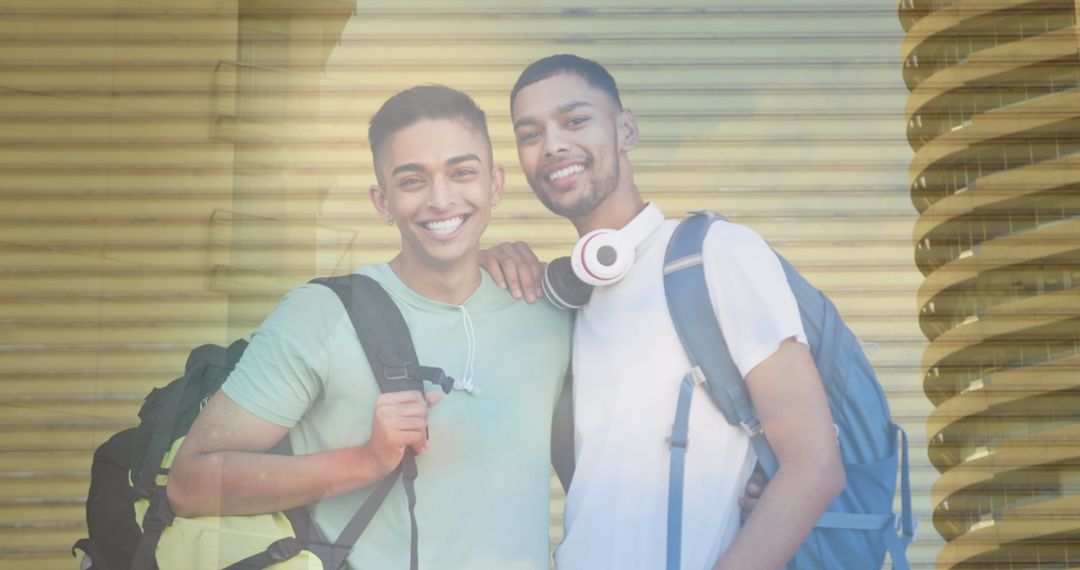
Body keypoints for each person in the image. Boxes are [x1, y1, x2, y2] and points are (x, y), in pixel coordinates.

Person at [167, 85, 572, 570]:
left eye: (462, 173)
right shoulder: (321, 315)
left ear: (495, 185)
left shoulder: (548, 313)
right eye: (412, 181)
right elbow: (190, 484)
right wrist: (364, 460)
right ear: (382, 201)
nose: (441, 200)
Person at [482, 54, 844, 570]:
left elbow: (814, 466)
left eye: (575, 120)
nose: (554, 144)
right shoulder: (568, 300)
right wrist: (475, 266)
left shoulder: (716, 253)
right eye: (530, 133)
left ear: (626, 129)